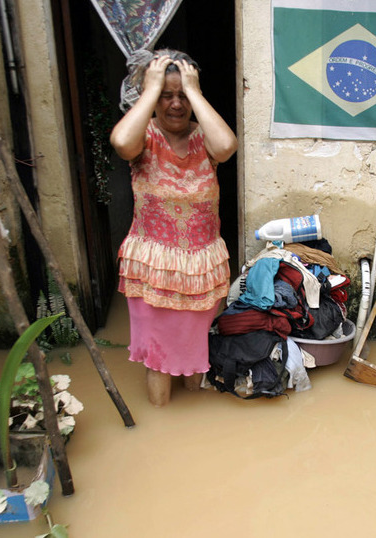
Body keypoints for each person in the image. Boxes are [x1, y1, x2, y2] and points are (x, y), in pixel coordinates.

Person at [111, 48, 237, 407]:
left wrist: (193, 92)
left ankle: (190, 432)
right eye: (167, 96)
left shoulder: (206, 140)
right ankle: (161, 422)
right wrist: (149, 91)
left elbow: (227, 147)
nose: (176, 104)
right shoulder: (143, 138)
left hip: (200, 268)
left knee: (195, 356)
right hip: (154, 268)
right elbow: (120, 143)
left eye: (183, 95)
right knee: (159, 362)